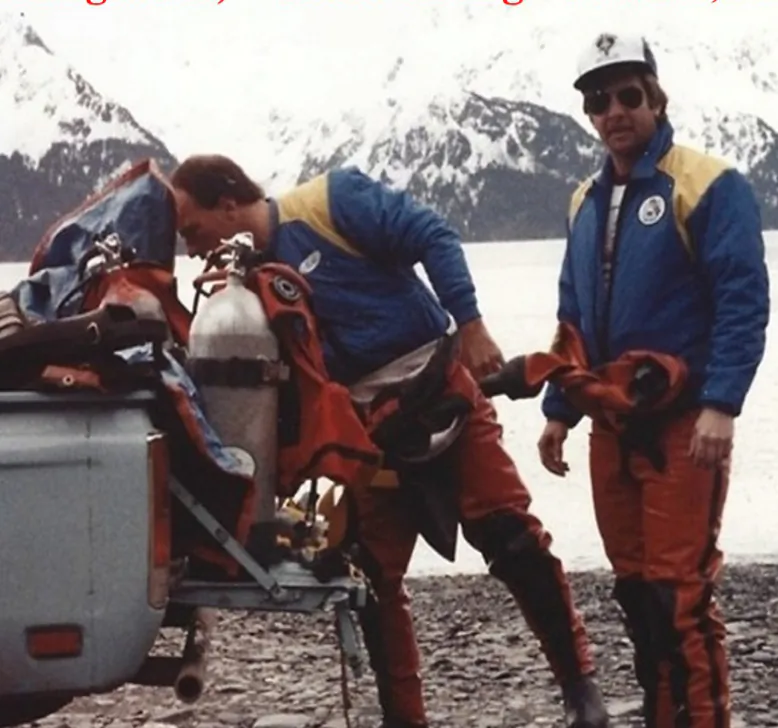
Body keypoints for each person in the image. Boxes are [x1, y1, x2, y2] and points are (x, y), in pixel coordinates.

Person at [169, 155, 610, 728]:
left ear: (228, 204)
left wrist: (472, 324)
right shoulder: (247, 285)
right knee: (372, 577)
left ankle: (580, 688)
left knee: (511, 537)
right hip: (365, 429)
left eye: (192, 231)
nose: (191, 250)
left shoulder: (331, 201)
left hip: (439, 390)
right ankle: (405, 718)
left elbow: (433, 235)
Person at [537, 31, 770, 728]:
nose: (614, 111)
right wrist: (558, 408)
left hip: (683, 425)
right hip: (611, 428)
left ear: (656, 98)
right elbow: (573, 315)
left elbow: (742, 299)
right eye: (598, 100)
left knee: (678, 597)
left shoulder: (708, 185)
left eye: (628, 95)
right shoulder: (583, 201)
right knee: (638, 594)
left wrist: (722, 403)